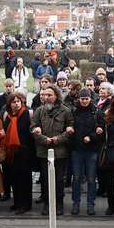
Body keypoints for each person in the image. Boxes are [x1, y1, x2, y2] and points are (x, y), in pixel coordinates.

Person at [31, 85, 73, 214]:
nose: (47, 98)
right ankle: (47, 203)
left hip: (60, 152)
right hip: (44, 151)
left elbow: (70, 128)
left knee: (59, 179)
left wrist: (57, 139)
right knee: (46, 178)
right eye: (45, 95)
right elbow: (33, 127)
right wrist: (43, 138)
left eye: (50, 95)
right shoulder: (39, 110)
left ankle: (59, 204)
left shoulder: (65, 111)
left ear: (56, 96)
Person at [1, 92, 35, 215]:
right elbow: (4, 131)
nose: (16, 104)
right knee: (14, 179)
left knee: (24, 180)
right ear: (9, 104)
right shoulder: (7, 116)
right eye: (13, 102)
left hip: (25, 152)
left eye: (18, 101)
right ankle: (17, 202)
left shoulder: (27, 114)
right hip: (12, 152)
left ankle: (25, 205)